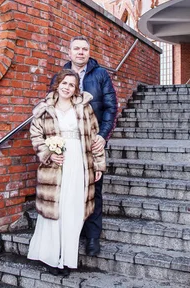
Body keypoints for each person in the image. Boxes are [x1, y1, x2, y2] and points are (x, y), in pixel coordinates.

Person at [27, 69, 106, 276]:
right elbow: (36, 135)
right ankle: (52, 258)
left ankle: (67, 258)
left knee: (73, 211)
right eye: (64, 83)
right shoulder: (44, 109)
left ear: (75, 88)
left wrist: (98, 165)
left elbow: (95, 138)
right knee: (56, 211)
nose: (67, 87)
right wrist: (48, 154)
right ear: (58, 84)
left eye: (71, 85)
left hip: (79, 164)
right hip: (55, 167)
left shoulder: (84, 108)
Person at [53, 36, 117, 256]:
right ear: (69, 52)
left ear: (89, 52)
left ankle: (92, 237)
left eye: (85, 49)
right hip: (67, 144)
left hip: (92, 141)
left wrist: (103, 134)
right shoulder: (60, 76)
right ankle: (71, 231)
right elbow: (51, 109)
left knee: (93, 189)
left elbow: (110, 107)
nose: (80, 52)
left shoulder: (100, 75)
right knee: (67, 190)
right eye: (76, 49)